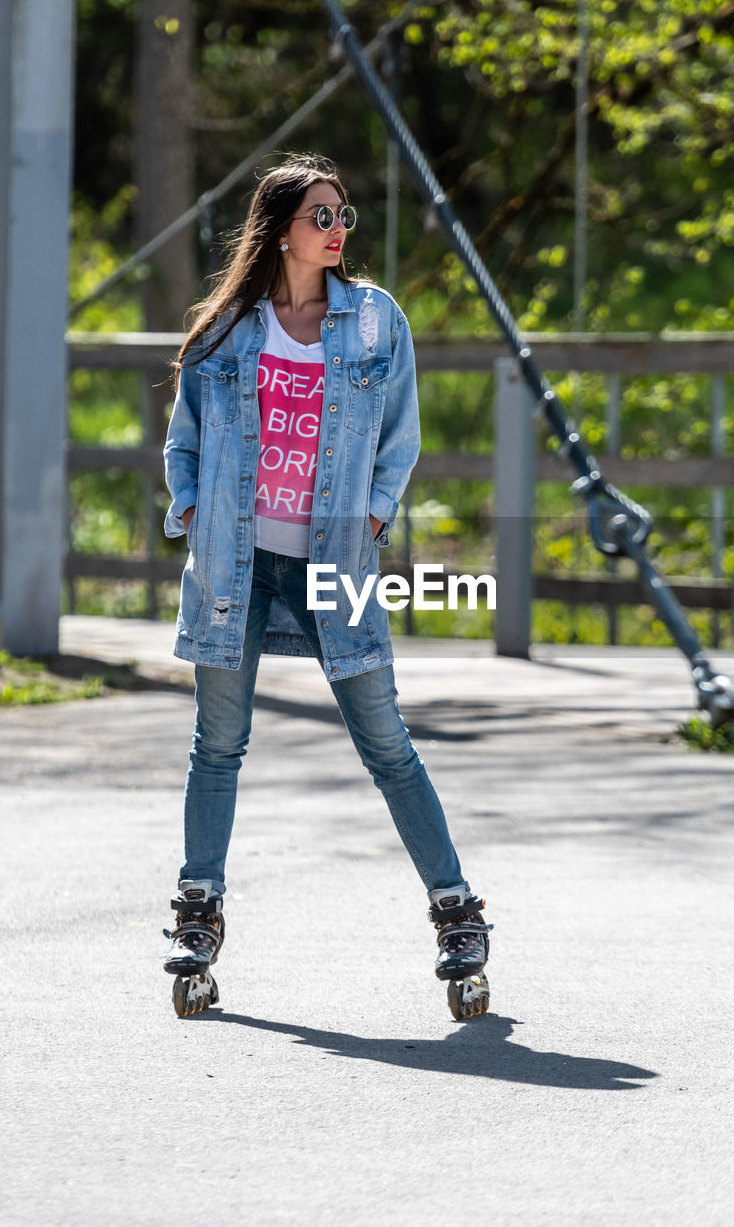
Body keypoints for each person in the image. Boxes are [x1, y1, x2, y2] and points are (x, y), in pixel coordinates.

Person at [161, 155, 491, 1019]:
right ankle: (198, 911)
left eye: (344, 214)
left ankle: (456, 912)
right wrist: (192, 510)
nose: (338, 228)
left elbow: (401, 436)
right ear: (279, 228)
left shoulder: (376, 322)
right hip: (235, 567)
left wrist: (376, 517)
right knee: (218, 745)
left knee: (387, 744)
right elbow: (184, 441)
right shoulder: (227, 329)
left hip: (334, 567)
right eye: (321, 215)